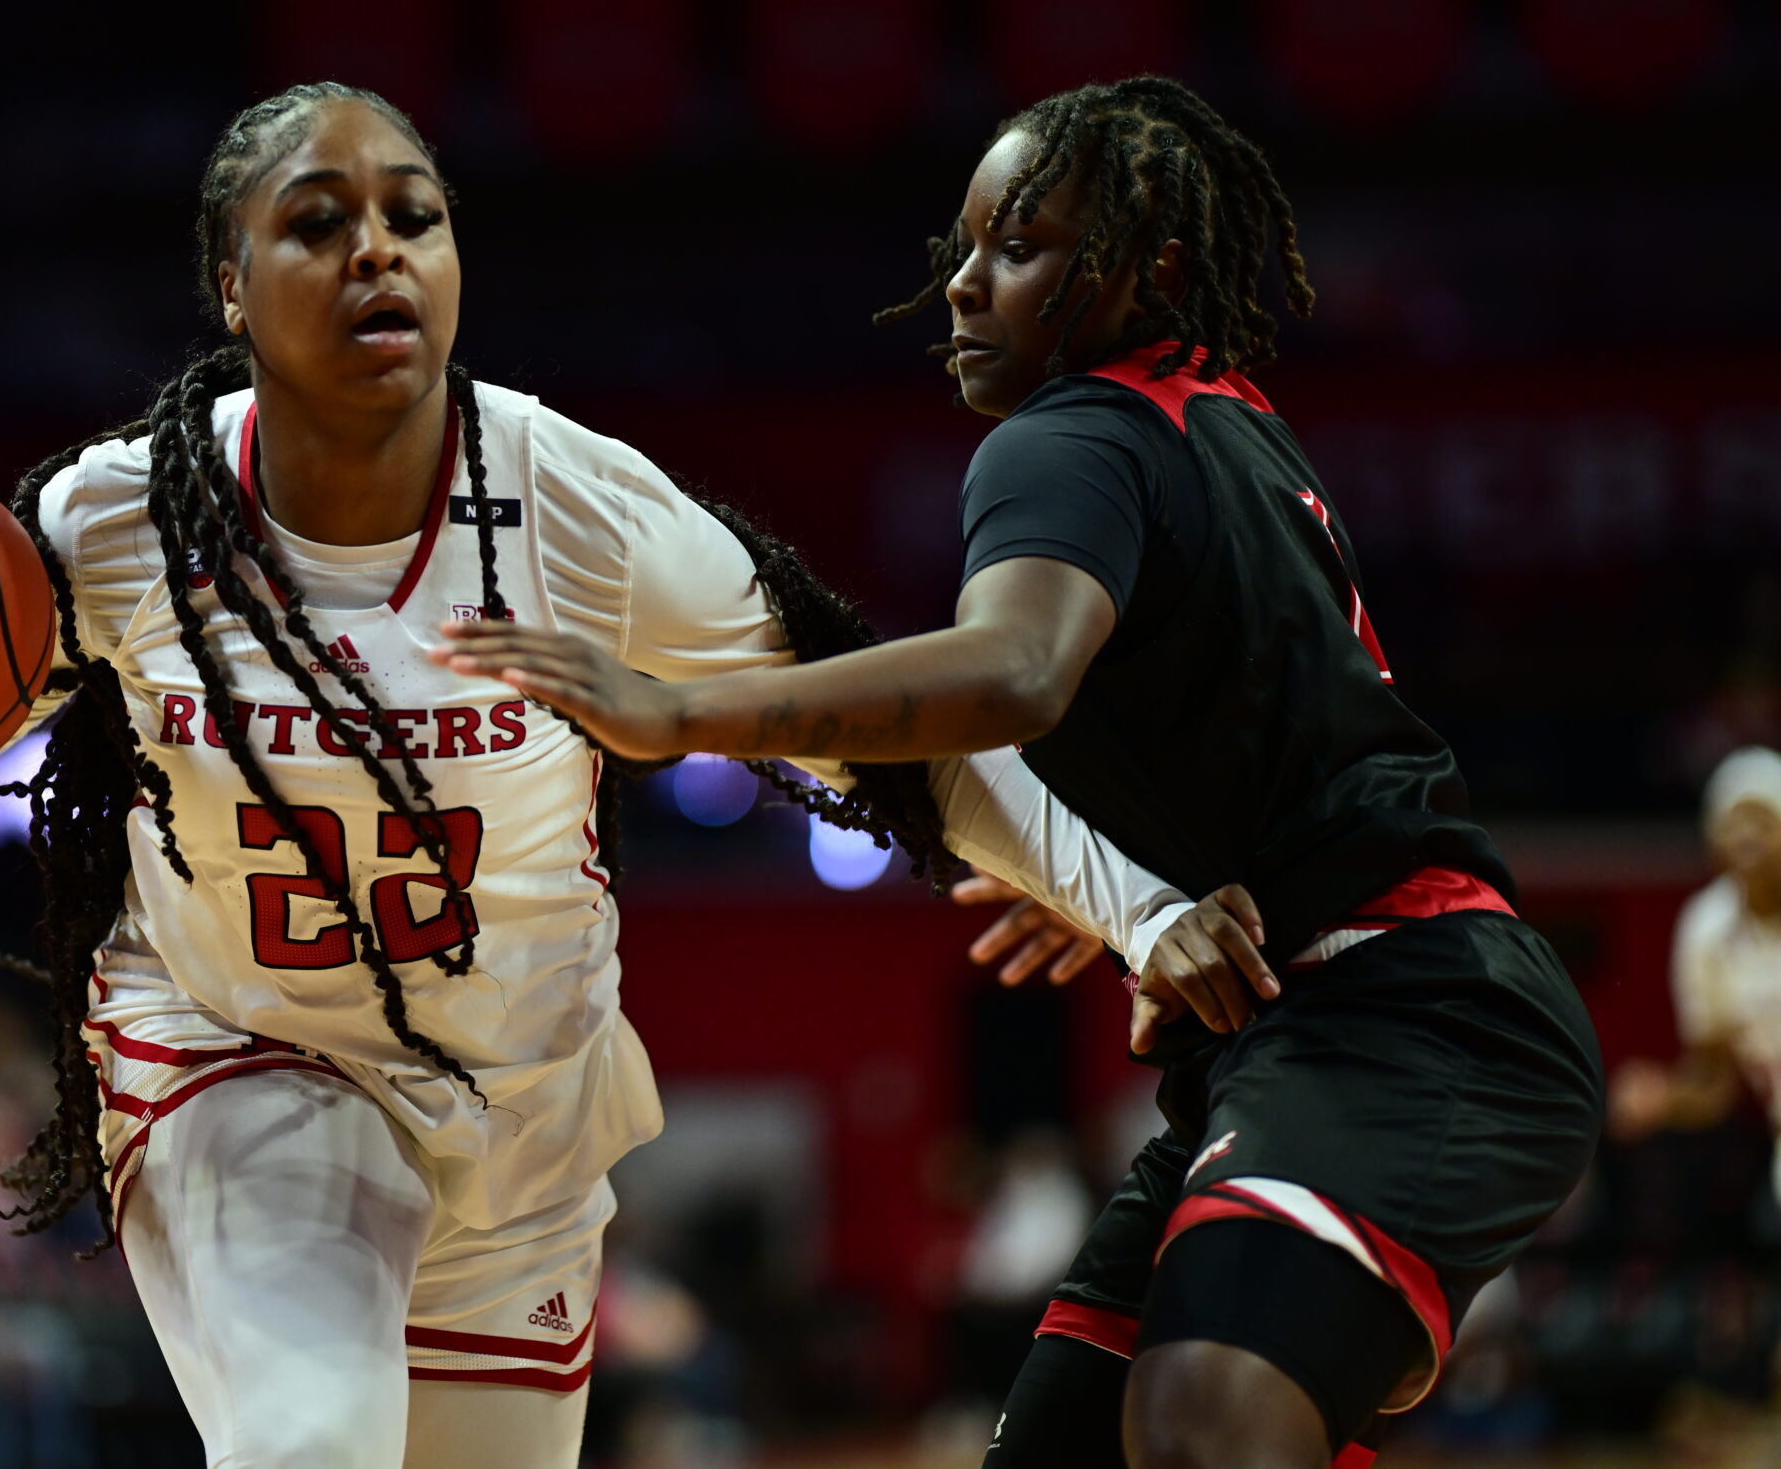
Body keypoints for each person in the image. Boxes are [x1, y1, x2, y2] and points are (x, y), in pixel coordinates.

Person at [0, 83, 1243, 1469]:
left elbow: (884, 729)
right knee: (312, 1440)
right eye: (319, 221)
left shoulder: (583, 510)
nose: (380, 249)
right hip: (239, 1054)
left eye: (415, 215)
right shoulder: (123, 519)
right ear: (232, 282)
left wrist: (1140, 904)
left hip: (515, 1113)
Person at [432, 75, 1605, 1469]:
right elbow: (1257, 718)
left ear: (1149, 270)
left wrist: (676, 706)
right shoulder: (1219, 415)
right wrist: (1126, 876)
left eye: (1021, 247)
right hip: (1334, 1020)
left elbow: (1013, 671)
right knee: (1069, 1441)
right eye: (965, 250)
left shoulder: (1068, 437)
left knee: (1200, 1421)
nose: (969, 288)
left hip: (1401, 1007)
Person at [1611, 748, 1781, 1187]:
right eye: (1731, 823)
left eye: (1761, 821)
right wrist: (1664, 1097)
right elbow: (1715, 1082)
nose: (1746, 837)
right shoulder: (1706, 928)